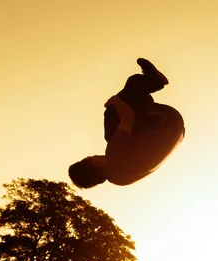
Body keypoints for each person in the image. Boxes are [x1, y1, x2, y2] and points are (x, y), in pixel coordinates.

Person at [68, 58, 185, 189]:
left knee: (126, 111)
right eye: (91, 157)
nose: (95, 155)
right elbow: (127, 119)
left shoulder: (121, 179)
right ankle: (151, 82)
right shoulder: (115, 158)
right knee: (112, 115)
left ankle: (145, 89)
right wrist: (115, 101)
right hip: (166, 121)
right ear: (95, 162)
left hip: (173, 128)